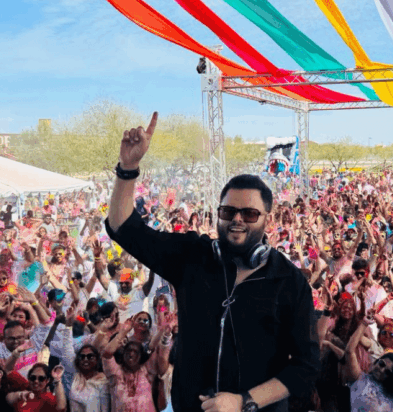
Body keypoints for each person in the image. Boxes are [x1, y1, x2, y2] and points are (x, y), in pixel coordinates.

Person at [105, 115, 319, 412]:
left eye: (249, 214)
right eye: (228, 212)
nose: (237, 220)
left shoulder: (289, 281)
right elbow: (123, 228)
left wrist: (244, 401)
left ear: (267, 219)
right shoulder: (193, 255)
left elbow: (306, 366)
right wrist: (127, 168)